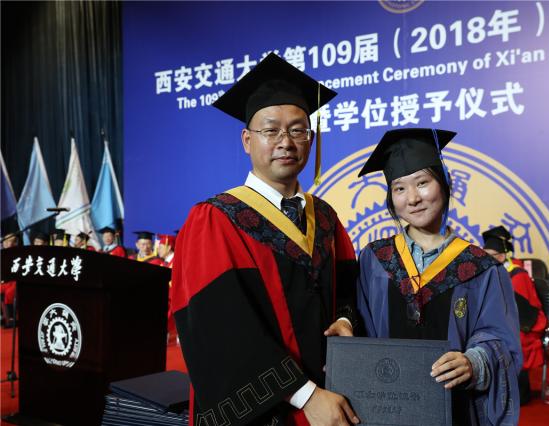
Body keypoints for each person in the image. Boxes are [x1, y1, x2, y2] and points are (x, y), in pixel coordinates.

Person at [171, 53, 360, 426]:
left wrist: (345, 319)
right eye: (271, 130)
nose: (285, 142)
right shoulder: (216, 220)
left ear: (311, 139)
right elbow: (217, 327)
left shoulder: (324, 218)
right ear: (247, 140)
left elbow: (349, 288)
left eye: (298, 130)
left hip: (333, 399)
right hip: (271, 412)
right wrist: (306, 395)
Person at [356, 128, 522, 425]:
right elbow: (361, 325)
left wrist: (475, 362)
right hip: (384, 409)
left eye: (422, 183)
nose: (413, 198)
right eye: (399, 188)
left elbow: (501, 339)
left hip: (453, 409)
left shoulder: (480, 267)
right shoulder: (375, 259)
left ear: (444, 183)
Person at [482, 226, 546, 405]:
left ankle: (518, 393)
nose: (486, 259)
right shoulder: (489, 271)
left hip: (523, 323)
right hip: (497, 320)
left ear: (502, 256)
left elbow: (523, 310)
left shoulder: (518, 275)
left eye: (491, 255)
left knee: (510, 341)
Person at [1, 232, 19, 327]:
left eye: (11, 241)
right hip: (5, 281)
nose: (8, 243)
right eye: (6, 241)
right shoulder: (2, 254)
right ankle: (4, 317)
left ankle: (12, 319)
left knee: (9, 292)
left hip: (15, 280)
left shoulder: (19, 253)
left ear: (15, 243)